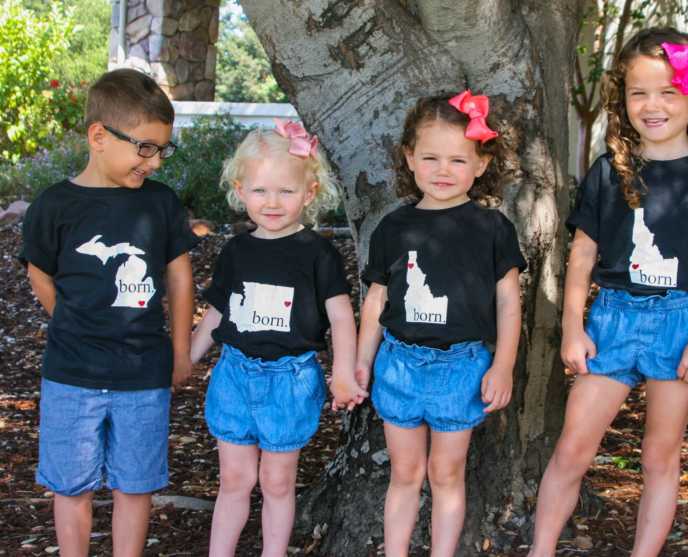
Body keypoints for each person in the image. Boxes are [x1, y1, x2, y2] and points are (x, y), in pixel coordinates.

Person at [529, 27, 688, 556]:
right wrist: (572, 328)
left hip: (682, 324)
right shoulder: (610, 170)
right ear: (622, 98)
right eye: (639, 92)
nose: (653, 105)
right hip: (611, 321)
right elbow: (581, 255)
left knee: (659, 456)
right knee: (571, 450)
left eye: (668, 91)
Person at [19, 68, 199, 556]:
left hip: (143, 373)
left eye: (163, 149)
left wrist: (181, 350)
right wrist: (71, 318)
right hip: (70, 373)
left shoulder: (159, 204)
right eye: (145, 147)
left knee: (136, 484)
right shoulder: (54, 205)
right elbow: (40, 274)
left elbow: (180, 278)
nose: (155, 161)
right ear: (99, 136)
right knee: (70, 485)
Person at [356, 90, 526, 557]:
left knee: (446, 474)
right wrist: (361, 362)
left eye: (457, 159)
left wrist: (504, 365)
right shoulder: (393, 228)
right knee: (405, 474)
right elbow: (376, 301)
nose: (443, 170)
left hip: (463, 368)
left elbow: (509, 303)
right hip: (399, 365)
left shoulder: (492, 228)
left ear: (481, 163)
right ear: (409, 159)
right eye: (430, 157)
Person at [189, 120, 360, 556]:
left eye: (286, 191)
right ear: (241, 190)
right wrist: (187, 357)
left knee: (277, 481)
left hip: (290, 378)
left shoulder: (317, 253)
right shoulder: (236, 251)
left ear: (309, 194)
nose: (272, 202)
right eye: (261, 190)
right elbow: (218, 311)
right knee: (234, 479)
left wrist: (343, 373)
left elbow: (341, 316)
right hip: (234, 374)